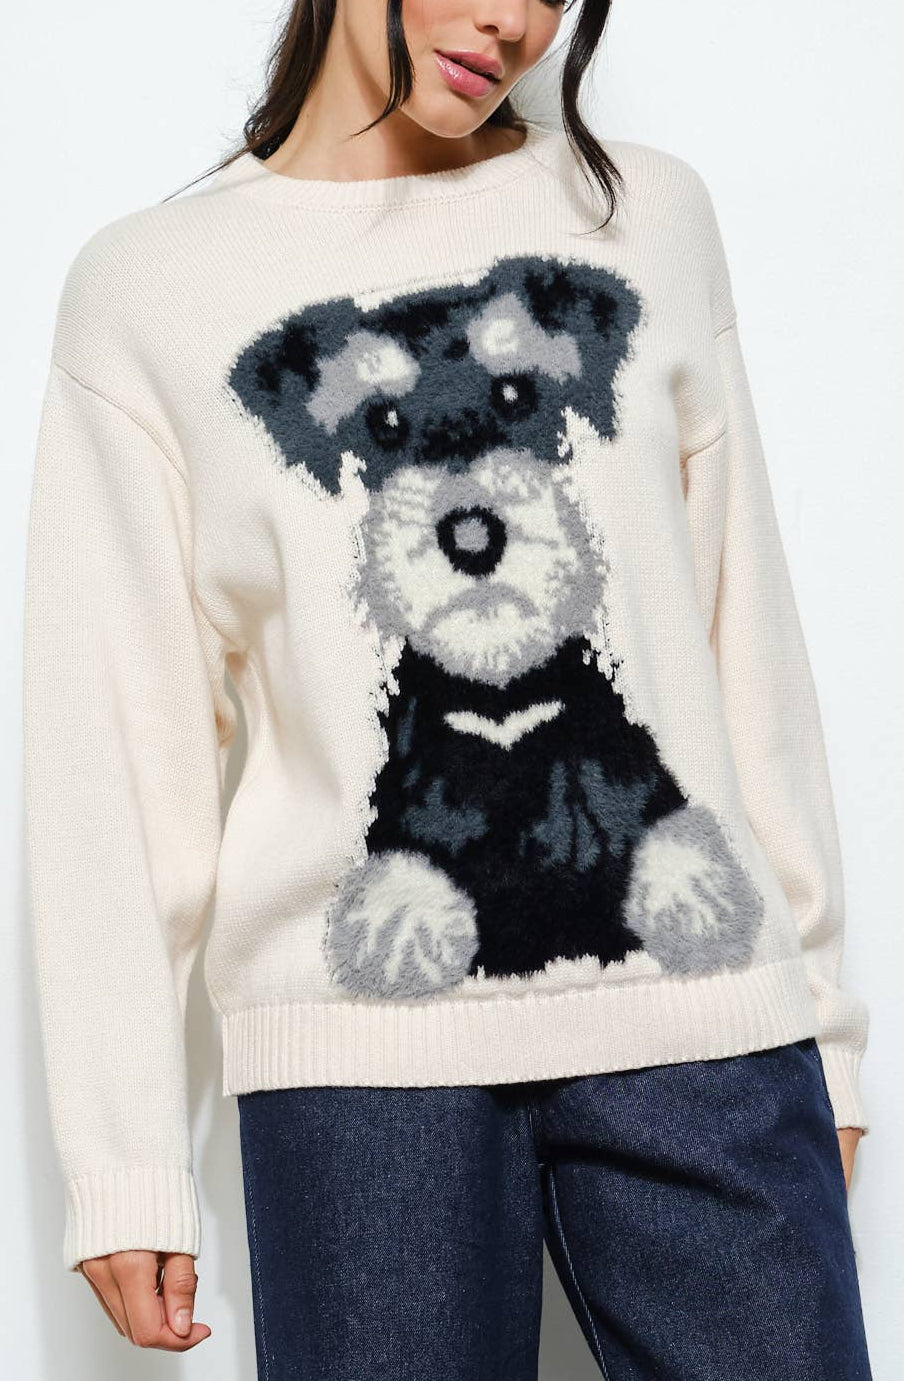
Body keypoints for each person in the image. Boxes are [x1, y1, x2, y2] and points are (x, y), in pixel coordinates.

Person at [22, 0, 873, 1375]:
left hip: (706, 1024)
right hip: (356, 1070)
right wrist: (122, 1157)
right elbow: (111, 747)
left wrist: (822, 1024)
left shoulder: (644, 217)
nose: (514, 21)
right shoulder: (149, 291)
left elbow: (743, 630)